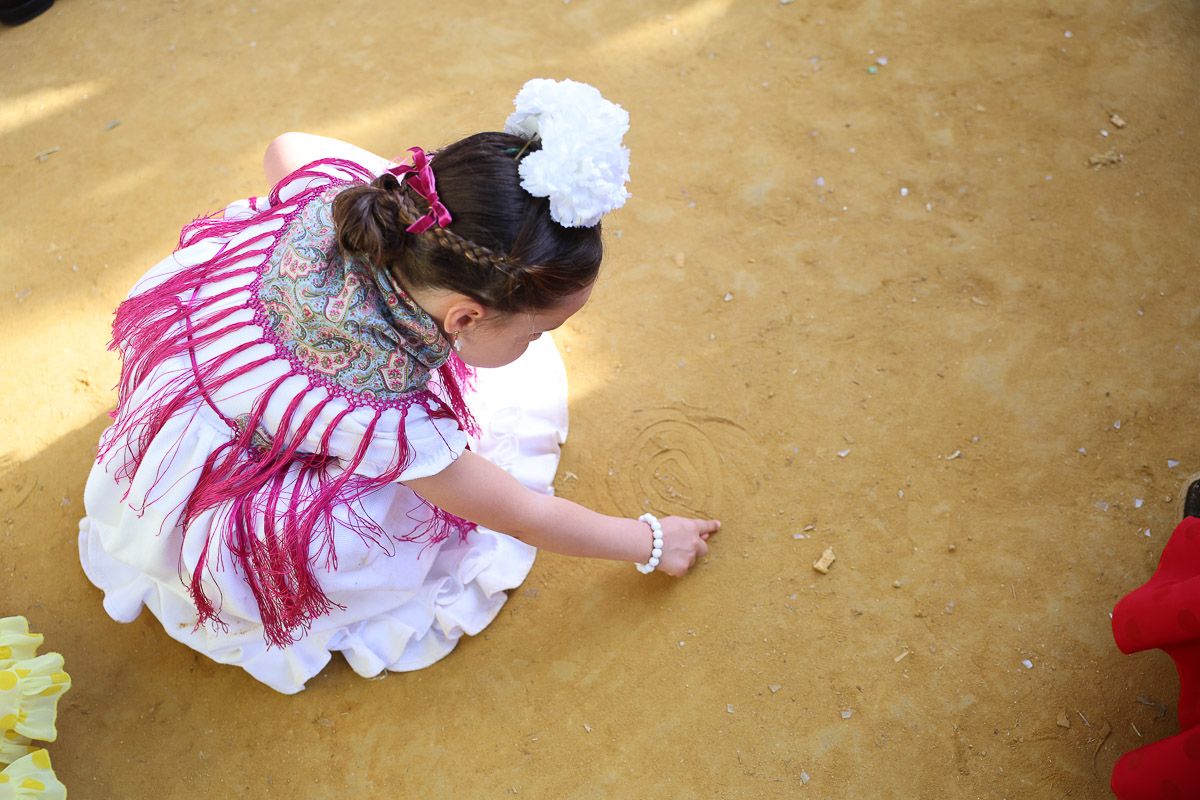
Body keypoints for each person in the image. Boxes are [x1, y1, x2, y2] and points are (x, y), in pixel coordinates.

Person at [78, 79, 720, 694]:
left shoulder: (334, 194)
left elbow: (286, 145)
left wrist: (394, 188)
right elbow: (521, 514)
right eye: (533, 333)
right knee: (379, 543)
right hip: (229, 482)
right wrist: (653, 541)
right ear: (465, 317)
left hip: (194, 390)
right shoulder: (386, 413)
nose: (536, 346)